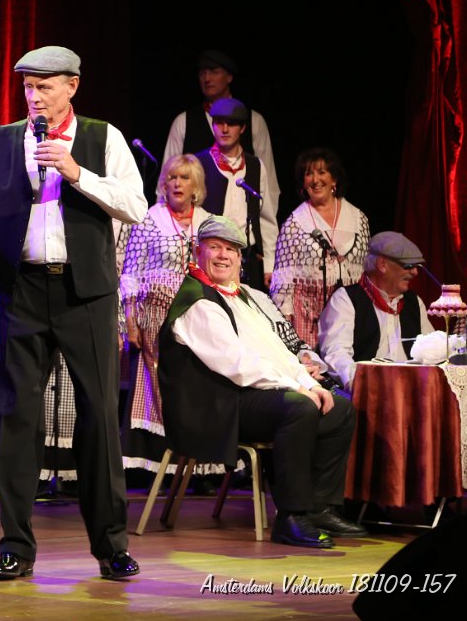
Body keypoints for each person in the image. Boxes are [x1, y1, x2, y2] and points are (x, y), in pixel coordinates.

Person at [0, 45, 146, 581]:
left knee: (99, 417)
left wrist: (75, 173)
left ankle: (111, 546)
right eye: (27, 86)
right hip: (22, 291)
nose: (34, 96)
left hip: (85, 293)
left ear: (72, 86)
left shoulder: (103, 138)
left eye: (44, 86)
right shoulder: (1, 142)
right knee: (18, 419)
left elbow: (136, 206)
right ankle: (15, 547)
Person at [157, 215, 366, 548]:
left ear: (240, 258)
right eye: (215, 247)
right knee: (298, 408)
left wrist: (310, 384)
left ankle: (320, 507)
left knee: (339, 409)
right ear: (198, 252)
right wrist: (297, 389)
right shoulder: (198, 302)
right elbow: (237, 363)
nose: (223, 255)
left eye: (231, 249)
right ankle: (291, 517)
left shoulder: (241, 297)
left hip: (242, 398)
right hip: (213, 409)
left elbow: (276, 350)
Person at [120, 154, 214, 472]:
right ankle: (158, 463)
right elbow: (131, 271)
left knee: (194, 385)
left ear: (195, 185)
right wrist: (130, 319)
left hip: (198, 317)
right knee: (158, 383)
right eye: (172, 177)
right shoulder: (151, 218)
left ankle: (197, 466)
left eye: (184, 178)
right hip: (155, 319)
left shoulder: (207, 222)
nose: (177, 183)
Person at [270, 148, 371, 348]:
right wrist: (285, 325)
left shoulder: (358, 219)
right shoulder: (295, 223)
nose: (315, 180)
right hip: (308, 320)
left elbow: (366, 270)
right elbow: (282, 279)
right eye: (308, 174)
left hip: (349, 314)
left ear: (334, 179)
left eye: (322, 172)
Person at [162, 49, 279, 211]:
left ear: (229, 77)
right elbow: (166, 178)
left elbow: (269, 184)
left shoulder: (254, 121)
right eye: (202, 73)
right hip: (197, 220)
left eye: (214, 72)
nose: (207, 79)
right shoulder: (183, 122)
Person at [317, 232, 434, 392]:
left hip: (412, 389)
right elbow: (336, 353)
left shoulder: (414, 302)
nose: (415, 272)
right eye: (408, 266)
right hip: (368, 392)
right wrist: (361, 383)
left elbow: (430, 349)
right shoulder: (347, 299)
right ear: (382, 264)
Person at [195, 97, 277, 290]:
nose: (224, 129)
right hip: (212, 259)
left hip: (247, 258)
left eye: (231, 124)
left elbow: (266, 218)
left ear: (242, 128)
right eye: (219, 123)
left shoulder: (255, 166)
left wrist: (269, 264)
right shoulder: (199, 163)